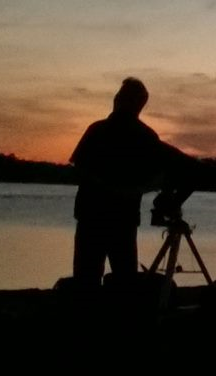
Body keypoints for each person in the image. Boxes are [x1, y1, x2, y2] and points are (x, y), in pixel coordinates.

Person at [70, 77, 194, 289]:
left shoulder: (102, 131)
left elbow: (80, 168)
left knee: (96, 278)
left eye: (122, 96)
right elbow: (80, 167)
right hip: (113, 218)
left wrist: (121, 188)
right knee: (117, 279)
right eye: (120, 95)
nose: (117, 99)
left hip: (104, 218)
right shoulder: (142, 136)